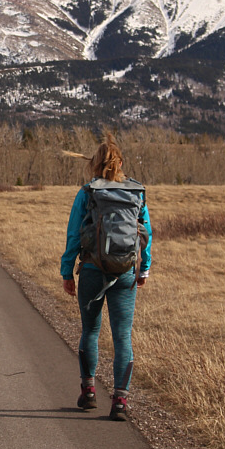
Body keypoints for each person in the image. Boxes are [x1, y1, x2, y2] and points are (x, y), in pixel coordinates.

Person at [60, 132, 152, 421]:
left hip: (91, 270)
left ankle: (88, 392)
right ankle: (121, 401)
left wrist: (67, 272)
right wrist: (144, 267)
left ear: (95, 164)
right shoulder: (136, 192)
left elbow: (74, 235)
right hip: (126, 271)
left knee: (91, 331)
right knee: (123, 336)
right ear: (120, 163)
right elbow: (145, 233)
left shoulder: (87, 192)